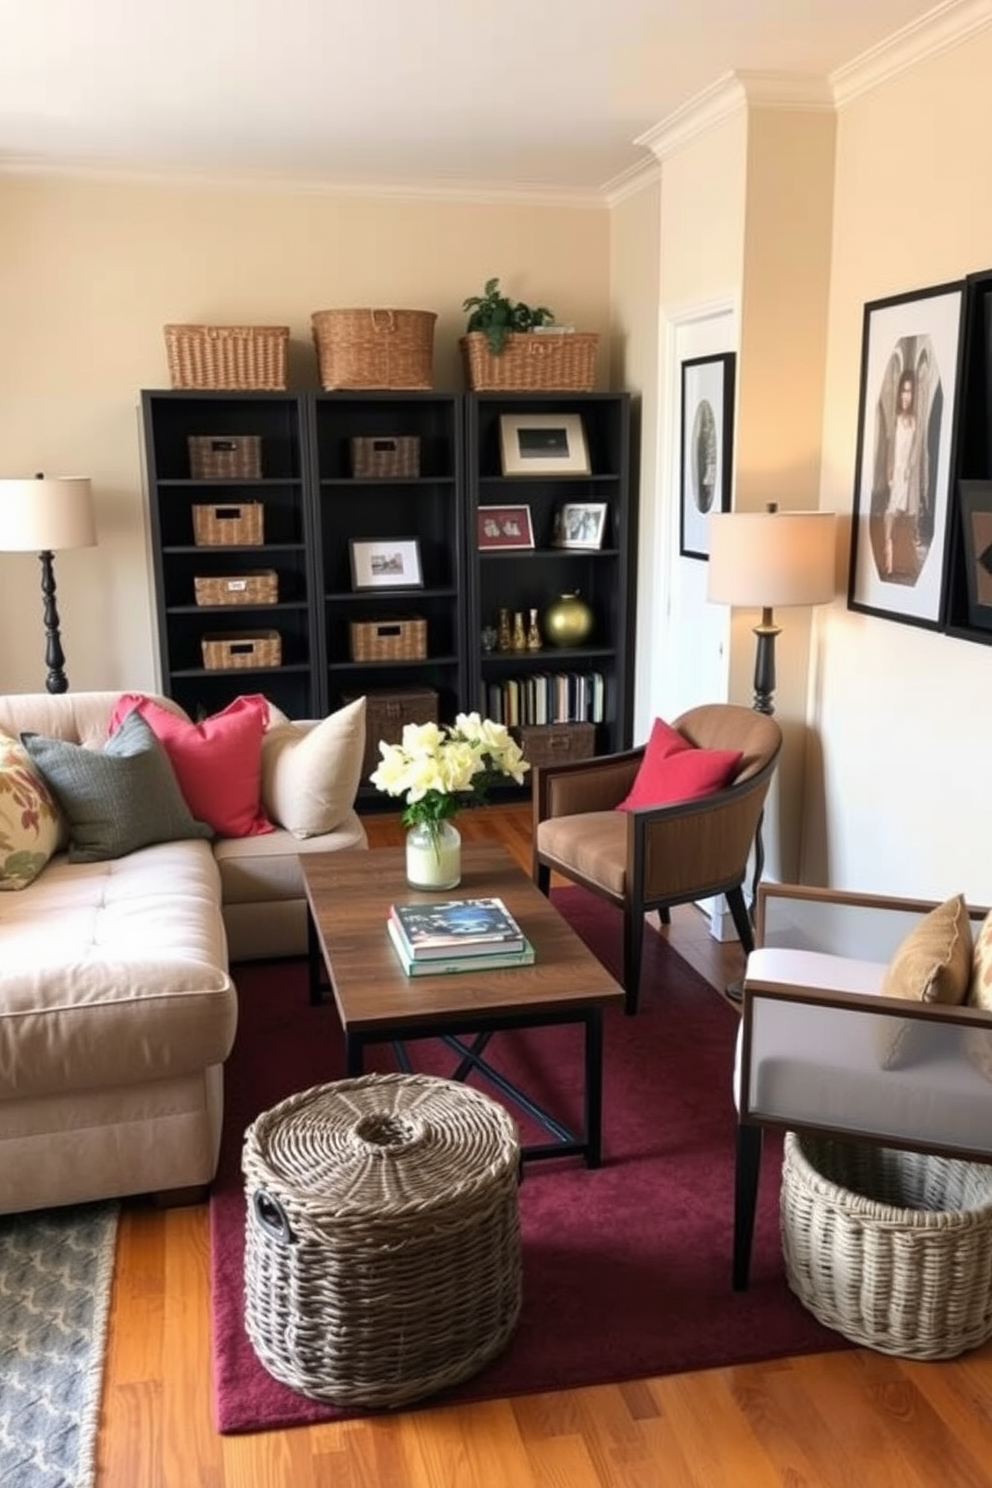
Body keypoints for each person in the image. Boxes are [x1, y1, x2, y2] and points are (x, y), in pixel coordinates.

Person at [882, 367, 923, 576]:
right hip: (896, 471)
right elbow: (890, 448)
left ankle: (902, 556)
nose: (906, 396)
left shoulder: (915, 421)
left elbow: (916, 449)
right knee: (892, 510)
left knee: (905, 512)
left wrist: (911, 468)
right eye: (903, 391)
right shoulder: (895, 418)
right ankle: (887, 547)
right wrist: (890, 472)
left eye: (909, 391)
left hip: (908, 473)